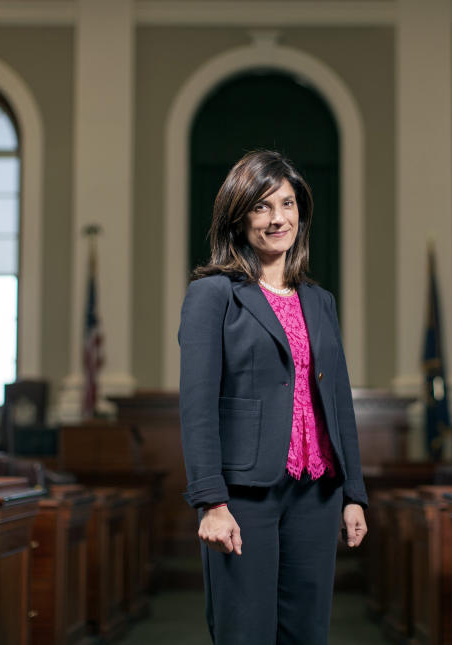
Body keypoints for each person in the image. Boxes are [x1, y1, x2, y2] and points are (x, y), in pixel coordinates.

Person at [178, 150, 368, 644]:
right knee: (245, 633)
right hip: (244, 495)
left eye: (287, 203)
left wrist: (353, 494)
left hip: (317, 491)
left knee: (308, 633)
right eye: (261, 207)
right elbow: (197, 407)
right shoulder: (212, 294)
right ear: (238, 217)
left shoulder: (319, 301)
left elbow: (338, 402)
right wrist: (210, 502)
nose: (278, 218)